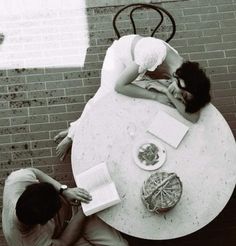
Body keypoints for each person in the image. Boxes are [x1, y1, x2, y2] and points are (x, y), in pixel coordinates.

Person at [54, 34, 211, 160]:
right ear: (181, 80)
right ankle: (72, 135)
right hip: (120, 58)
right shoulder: (153, 55)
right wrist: (156, 97)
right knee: (106, 97)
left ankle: (74, 129)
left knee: (139, 102)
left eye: (182, 98)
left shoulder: (184, 74)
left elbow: (194, 117)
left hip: (140, 69)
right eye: (181, 94)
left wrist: (167, 92)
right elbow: (120, 86)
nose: (178, 97)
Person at [2, 168, 146, 246]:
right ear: (44, 222)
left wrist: (64, 191)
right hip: (60, 241)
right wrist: (83, 213)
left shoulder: (15, 181)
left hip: (76, 214)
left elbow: (34, 172)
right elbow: (64, 243)